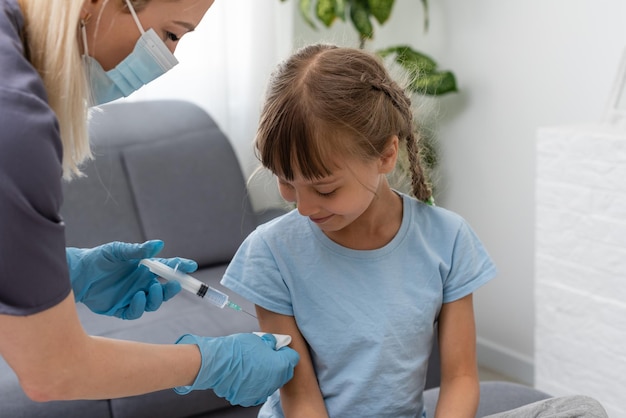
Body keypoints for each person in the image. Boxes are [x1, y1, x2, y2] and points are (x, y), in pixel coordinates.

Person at [220, 44, 608, 418]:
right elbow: (301, 399)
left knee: (582, 410)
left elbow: (459, 378)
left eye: (324, 189)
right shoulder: (271, 253)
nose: (301, 207)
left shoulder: (447, 239)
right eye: (286, 182)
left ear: (387, 155)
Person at [0, 0, 298, 407]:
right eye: (171, 34)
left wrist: (65, 272)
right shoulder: (14, 119)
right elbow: (53, 370)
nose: (169, 57)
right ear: (93, 5)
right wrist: (211, 362)